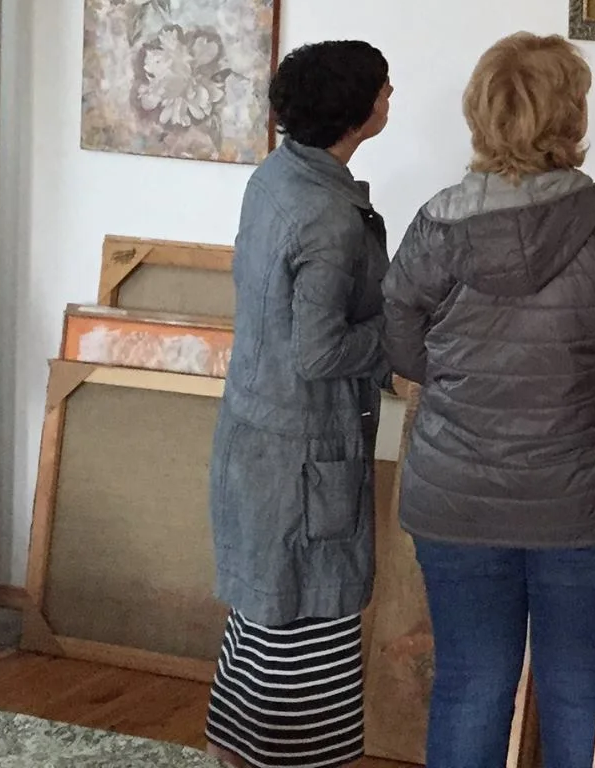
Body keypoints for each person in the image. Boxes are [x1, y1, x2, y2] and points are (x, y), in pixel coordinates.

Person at [383, 33, 595, 768]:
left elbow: (403, 351)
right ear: (572, 117)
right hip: (585, 502)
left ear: (479, 115)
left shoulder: (435, 227)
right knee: (581, 690)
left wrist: (466, 385)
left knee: (470, 683)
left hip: (456, 499)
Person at [206, 41, 395, 768]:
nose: (390, 98)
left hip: (255, 434)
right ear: (355, 111)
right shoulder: (327, 216)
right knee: (305, 627)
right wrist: (401, 331)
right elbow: (318, 353)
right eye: (383, 89)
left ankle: (237, 754)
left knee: (261, 617)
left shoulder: (275, 177)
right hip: (304, 457)